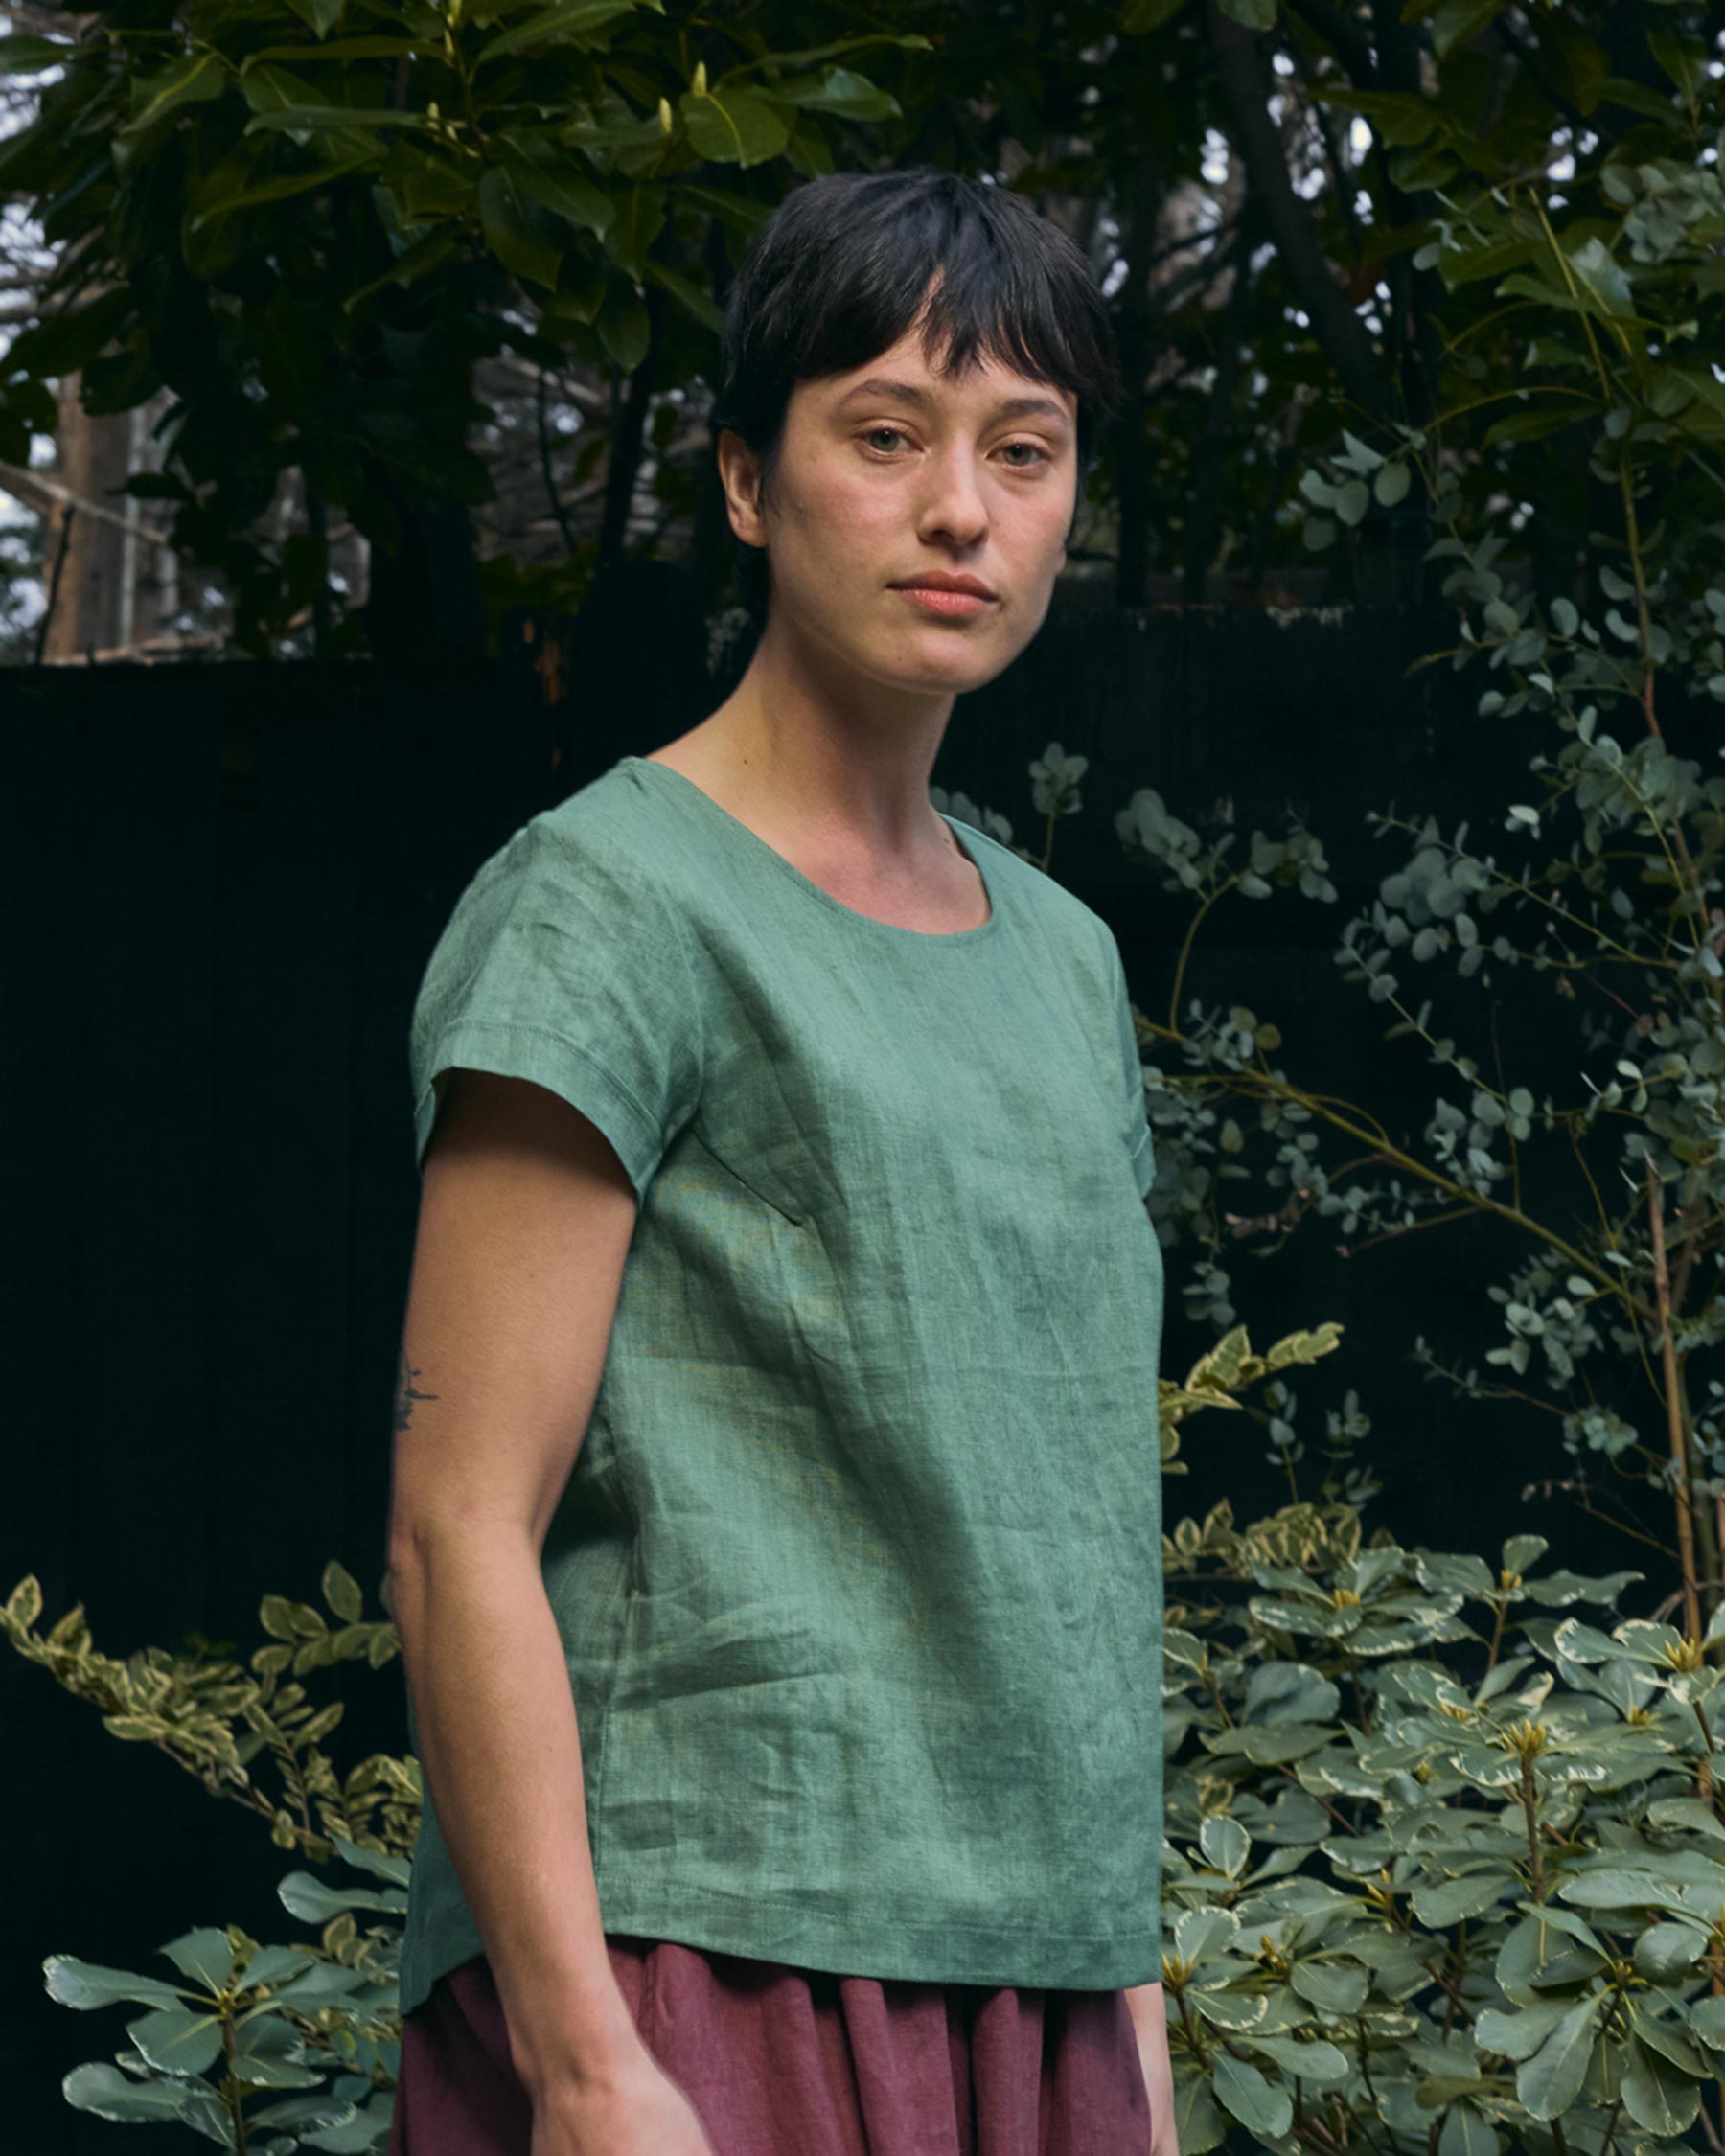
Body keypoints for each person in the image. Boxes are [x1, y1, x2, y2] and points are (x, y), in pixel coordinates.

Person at [384, 164, 1177, 2156]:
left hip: (1040, 1986)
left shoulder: (1069, 965)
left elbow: (1077, 1547)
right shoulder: (607, 908)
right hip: (697, 1957)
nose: (960, 512)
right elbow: (456, 1521)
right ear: (747, 480)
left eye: (1024, 450)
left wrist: (1134, 2042)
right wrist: (583, 2062)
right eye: (886, 436)